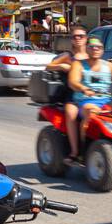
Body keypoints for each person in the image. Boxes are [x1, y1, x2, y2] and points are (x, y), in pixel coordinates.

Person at [47, 25, 87, 157]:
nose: (78, 39)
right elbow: (48, 66)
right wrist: (61, 66)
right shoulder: (68, 56)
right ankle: (75, 151)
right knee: (71, 114)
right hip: (72, 94)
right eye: (75, 36)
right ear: (71, 40)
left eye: (81, 36)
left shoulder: (91, 54)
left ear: (86, 38)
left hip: (92, 92)